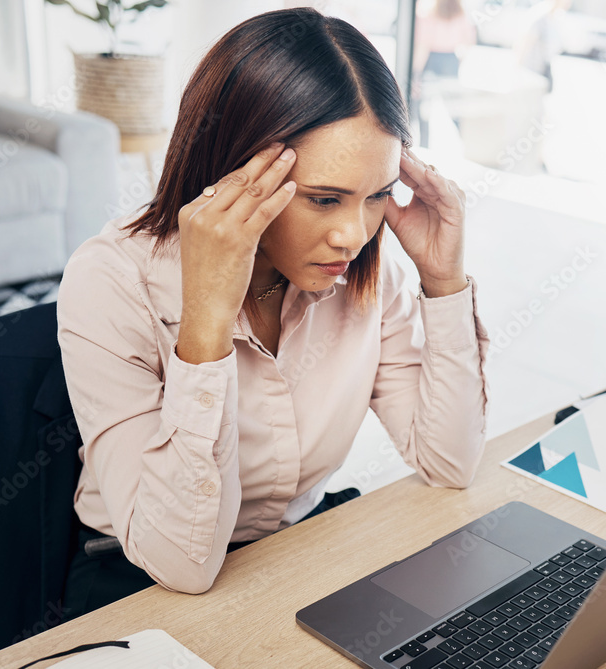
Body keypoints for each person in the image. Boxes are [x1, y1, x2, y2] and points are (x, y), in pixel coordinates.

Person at [56, 7, 489, 617]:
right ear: (234, 169)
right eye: (323, 199)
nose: (353, 235)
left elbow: (449, 463)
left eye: (377, 196)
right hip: (139, 580)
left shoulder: (367, 271)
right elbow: (183, 564)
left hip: (293, 555)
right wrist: (206, 323)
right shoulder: (109, 280)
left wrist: (443, 281)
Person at [410, 0, 477, 146]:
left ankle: (424, 144)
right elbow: (469, 40)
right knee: (454, 105)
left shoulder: (428, 14)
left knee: (424, 105)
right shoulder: (461, 14)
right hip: (450, 59)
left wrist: (415, 73)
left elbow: (423, 46)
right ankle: (469, 141)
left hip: (431, 60)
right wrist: (458, 61)